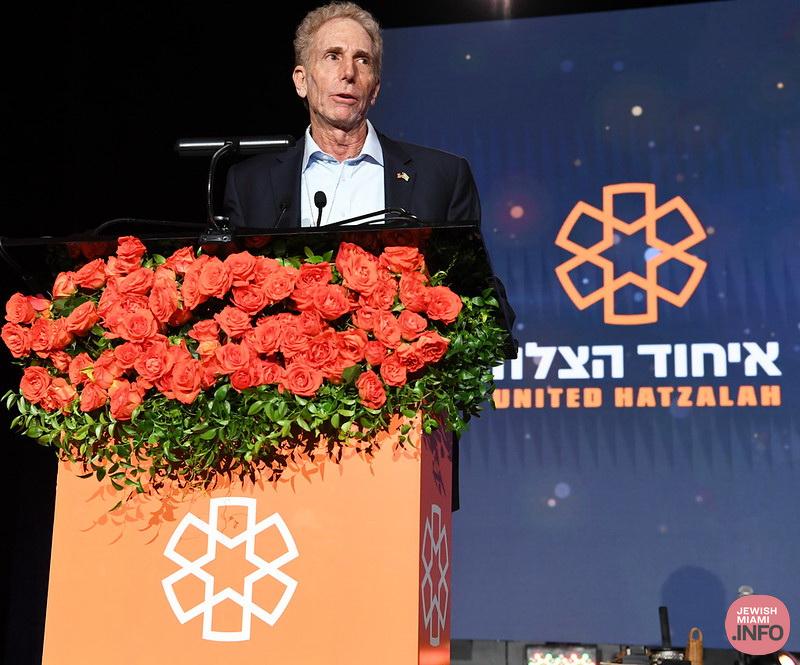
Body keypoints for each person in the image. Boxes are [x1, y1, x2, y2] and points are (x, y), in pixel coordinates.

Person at [224, 1, 481, 228]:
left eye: (362, 60)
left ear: (374, 89)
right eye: (333, 56)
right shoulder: (249, 185)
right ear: (301, 81)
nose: (348, 72)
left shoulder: (443, 178)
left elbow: (472, 270)